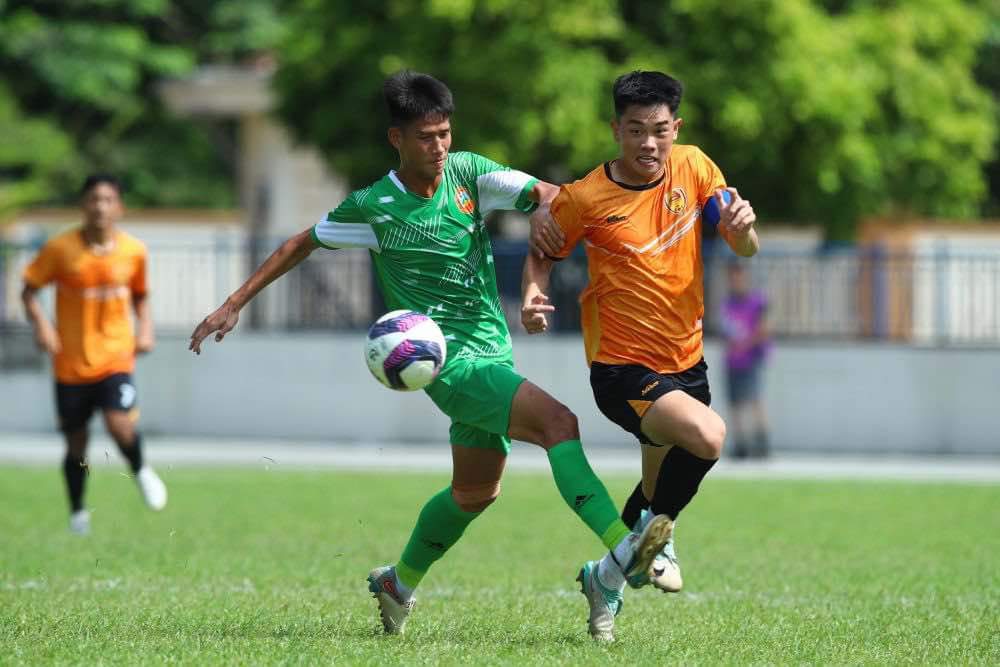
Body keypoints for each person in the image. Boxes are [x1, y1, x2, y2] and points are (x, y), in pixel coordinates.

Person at [188, 71, 671, 641]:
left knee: (475, 491)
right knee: (558, 424)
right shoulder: (374, 207)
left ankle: (400, 582)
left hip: (493, 353)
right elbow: (300, 243)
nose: (438, 147)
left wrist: (544, 214)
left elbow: (548, 193)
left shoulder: (467, 174)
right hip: (446, 366)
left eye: (444, 133)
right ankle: (622, 552)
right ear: (397, 139)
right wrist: (232, 304)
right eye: (425, 137)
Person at [522, 71, 759, 636]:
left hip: (687, 358)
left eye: (659, 131)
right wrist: (533, 295)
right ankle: (664, 536)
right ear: (616, 130)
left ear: (675, 128)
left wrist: (745, 230)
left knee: (656, 485)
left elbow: (742, 245)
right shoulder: (587, 198)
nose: (648, 144)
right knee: (708, 436)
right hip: (620, 367)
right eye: (635, 131)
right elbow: (542, 251)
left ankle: (606, 574)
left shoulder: (697, 167)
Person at [21, 174, 167, 535]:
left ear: (119, 207)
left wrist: (145, 327)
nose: (100, 206)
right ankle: (78, 513)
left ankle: (140, 469)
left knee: (119, 425)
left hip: (116, 356)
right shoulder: (60, 249)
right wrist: (42, 325)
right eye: (93, 199)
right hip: (70, 362)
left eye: (107, 200)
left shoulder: (134, 251)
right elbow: (28, 291)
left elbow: (140, 294)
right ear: (83, 205)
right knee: (77, 443)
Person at [721, 260, 771, 459]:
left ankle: (762, 441)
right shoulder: (727, 303)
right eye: (732, 277)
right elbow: (726, 330)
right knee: (735, 402)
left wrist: (746, 345)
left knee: (754, 398)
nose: (736, 281)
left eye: (739, 276)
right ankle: (740, 443)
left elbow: (764, 329)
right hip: (733, 360)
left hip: (751, 358)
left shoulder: (757, 301)